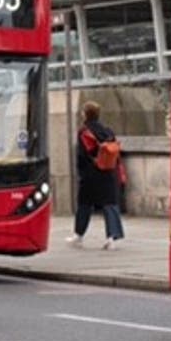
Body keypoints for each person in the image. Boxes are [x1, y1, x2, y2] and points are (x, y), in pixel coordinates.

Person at [66, 100, 125, 250]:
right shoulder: (108, 131)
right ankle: (112, 238)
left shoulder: (84, 132)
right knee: (110, 205)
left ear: (86, 115)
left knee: (84, 205)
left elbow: (83, 155)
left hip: (90, 175)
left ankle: (78, 236)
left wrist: (81, 173)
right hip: (108, 173)